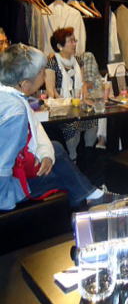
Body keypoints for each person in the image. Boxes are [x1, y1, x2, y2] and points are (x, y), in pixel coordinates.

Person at [0, 43, 114, 210]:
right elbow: (2, 165)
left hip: (18, 170)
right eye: (41, 72)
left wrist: (45, 153)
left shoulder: (11, 96)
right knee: (67, 178)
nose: (45, 74)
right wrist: (7, 199)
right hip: (6, 190)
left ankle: (91, 196)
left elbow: (36, 129)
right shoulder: (15, 112)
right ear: (25, 84)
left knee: (56, 149)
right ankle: (91, 200)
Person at [45, 27, 98, 161]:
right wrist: (65, 103)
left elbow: (83, 84)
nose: (75, 44)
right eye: (71, 41)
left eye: (75, 40)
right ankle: (72, 158)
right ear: (59, 46)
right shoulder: (52, 62)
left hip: (77, 106)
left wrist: (85, 97)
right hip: (60, 109)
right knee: (72, 125)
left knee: (93, 120)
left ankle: (88, 156)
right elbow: (50, 90)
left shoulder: (78, 60)